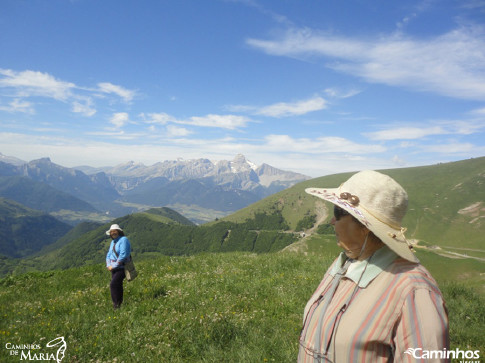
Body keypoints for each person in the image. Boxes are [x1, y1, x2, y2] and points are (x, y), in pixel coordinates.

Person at [299, 170, 449, 362]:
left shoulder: (413, 290)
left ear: (364, 227)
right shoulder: (343, 264)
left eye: (337, 212)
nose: (331, 221)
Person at [105, 224, 131, 309]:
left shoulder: (124, 240)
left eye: (114, 231)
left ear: (119, 231)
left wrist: (114, 265)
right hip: (113, 268)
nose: (113, 233)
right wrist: (108, 265)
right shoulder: (113, 242)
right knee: (118, 285)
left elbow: (123, 255)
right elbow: (108, 255)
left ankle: (116, 305)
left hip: (121, 267)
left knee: (113, 284)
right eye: (111, 232)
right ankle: (119, 304)